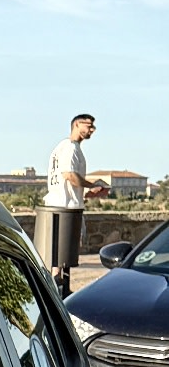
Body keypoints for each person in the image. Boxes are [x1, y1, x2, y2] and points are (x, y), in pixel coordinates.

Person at [44, 112, 104, 294]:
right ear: (77, 124)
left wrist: (85, 193)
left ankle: (60, 293)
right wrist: (91, 185)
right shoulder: (70, 148)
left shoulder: (63, 148)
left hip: (61, 205)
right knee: (61, 259)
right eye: (89, 126)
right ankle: (59, 296)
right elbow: (68, 175)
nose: (92, 130)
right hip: (66, 209)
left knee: (59, 258)